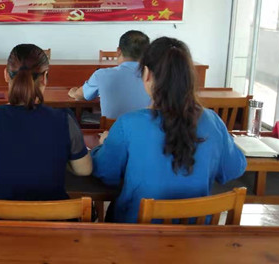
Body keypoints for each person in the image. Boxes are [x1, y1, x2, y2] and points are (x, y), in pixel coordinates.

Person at [91, 37, 247, 223]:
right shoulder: (213, 121)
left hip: (136, 234)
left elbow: (106, 173)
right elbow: (233, 169)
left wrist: (104, 144)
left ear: (147, 74)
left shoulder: (128, 124)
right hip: (196, 235)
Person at [0, 44, 92, 201]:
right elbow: (84, 170)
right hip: (54, 216)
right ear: (45, 77)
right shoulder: (64, 119)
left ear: (6, 75)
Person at [69, 30, 151, 119]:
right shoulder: (155, 76)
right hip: (149, 127)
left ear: (118, 51)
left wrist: (74, 92)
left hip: (113, 127)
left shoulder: (101, 75)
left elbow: (80, 96)